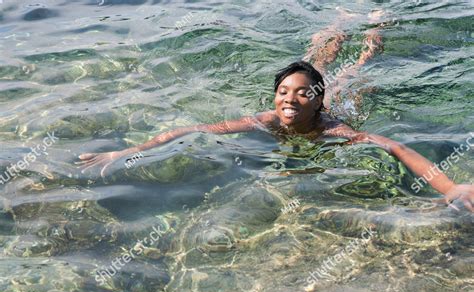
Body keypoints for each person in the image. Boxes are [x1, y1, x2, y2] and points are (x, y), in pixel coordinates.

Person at [78, 12, 474, 212]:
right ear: (273, 97)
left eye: (301, 95)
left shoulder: (333, 129)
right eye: (282, 93)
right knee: (314, 60)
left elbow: (395, 147)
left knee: (353, 71)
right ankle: (337, 26)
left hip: (336, 97)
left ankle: (374, 36)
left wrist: (450, 188)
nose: (288, 100)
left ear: (316, 102)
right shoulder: (265, 119)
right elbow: (189, 128)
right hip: (318, 88)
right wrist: (122, 153)